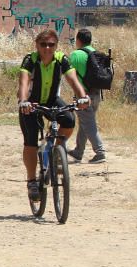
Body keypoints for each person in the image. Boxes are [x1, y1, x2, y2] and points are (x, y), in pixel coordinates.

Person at [17, 28, 90, 202]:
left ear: (56, 46)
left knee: (69, 120)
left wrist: (83, 97)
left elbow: (73, 80)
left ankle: (52, 150)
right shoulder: (30, 60)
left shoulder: (61, 59)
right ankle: (31, 181)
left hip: (51, 101)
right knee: (31, 142)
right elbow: (23, 83)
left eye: (51, 45)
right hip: (31, 103)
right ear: (37, 45)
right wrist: (23, 101)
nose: (47, 48)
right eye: (43, 45)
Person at [67, 28, 106, 164]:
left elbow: (68, 73)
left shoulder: (76, 55)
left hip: (83, 95)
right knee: (85, 123)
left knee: (88, 123)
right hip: (97, 94)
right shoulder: (96, 53)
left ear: (78, 40)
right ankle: (78, 152)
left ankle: (100, 152)